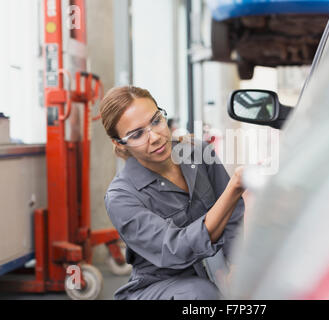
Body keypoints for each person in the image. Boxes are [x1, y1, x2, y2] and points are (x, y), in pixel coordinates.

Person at [99, 86, 245, 300]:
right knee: (199, 295)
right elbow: (175, 248)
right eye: (138, 134)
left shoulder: (199, 153)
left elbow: (233, 216)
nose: (155, 137)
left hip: (213, 270)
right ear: (120, 143)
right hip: (161, 285)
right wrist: (234, 189)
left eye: (156, 121)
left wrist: (236, 264)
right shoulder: (121, 197)